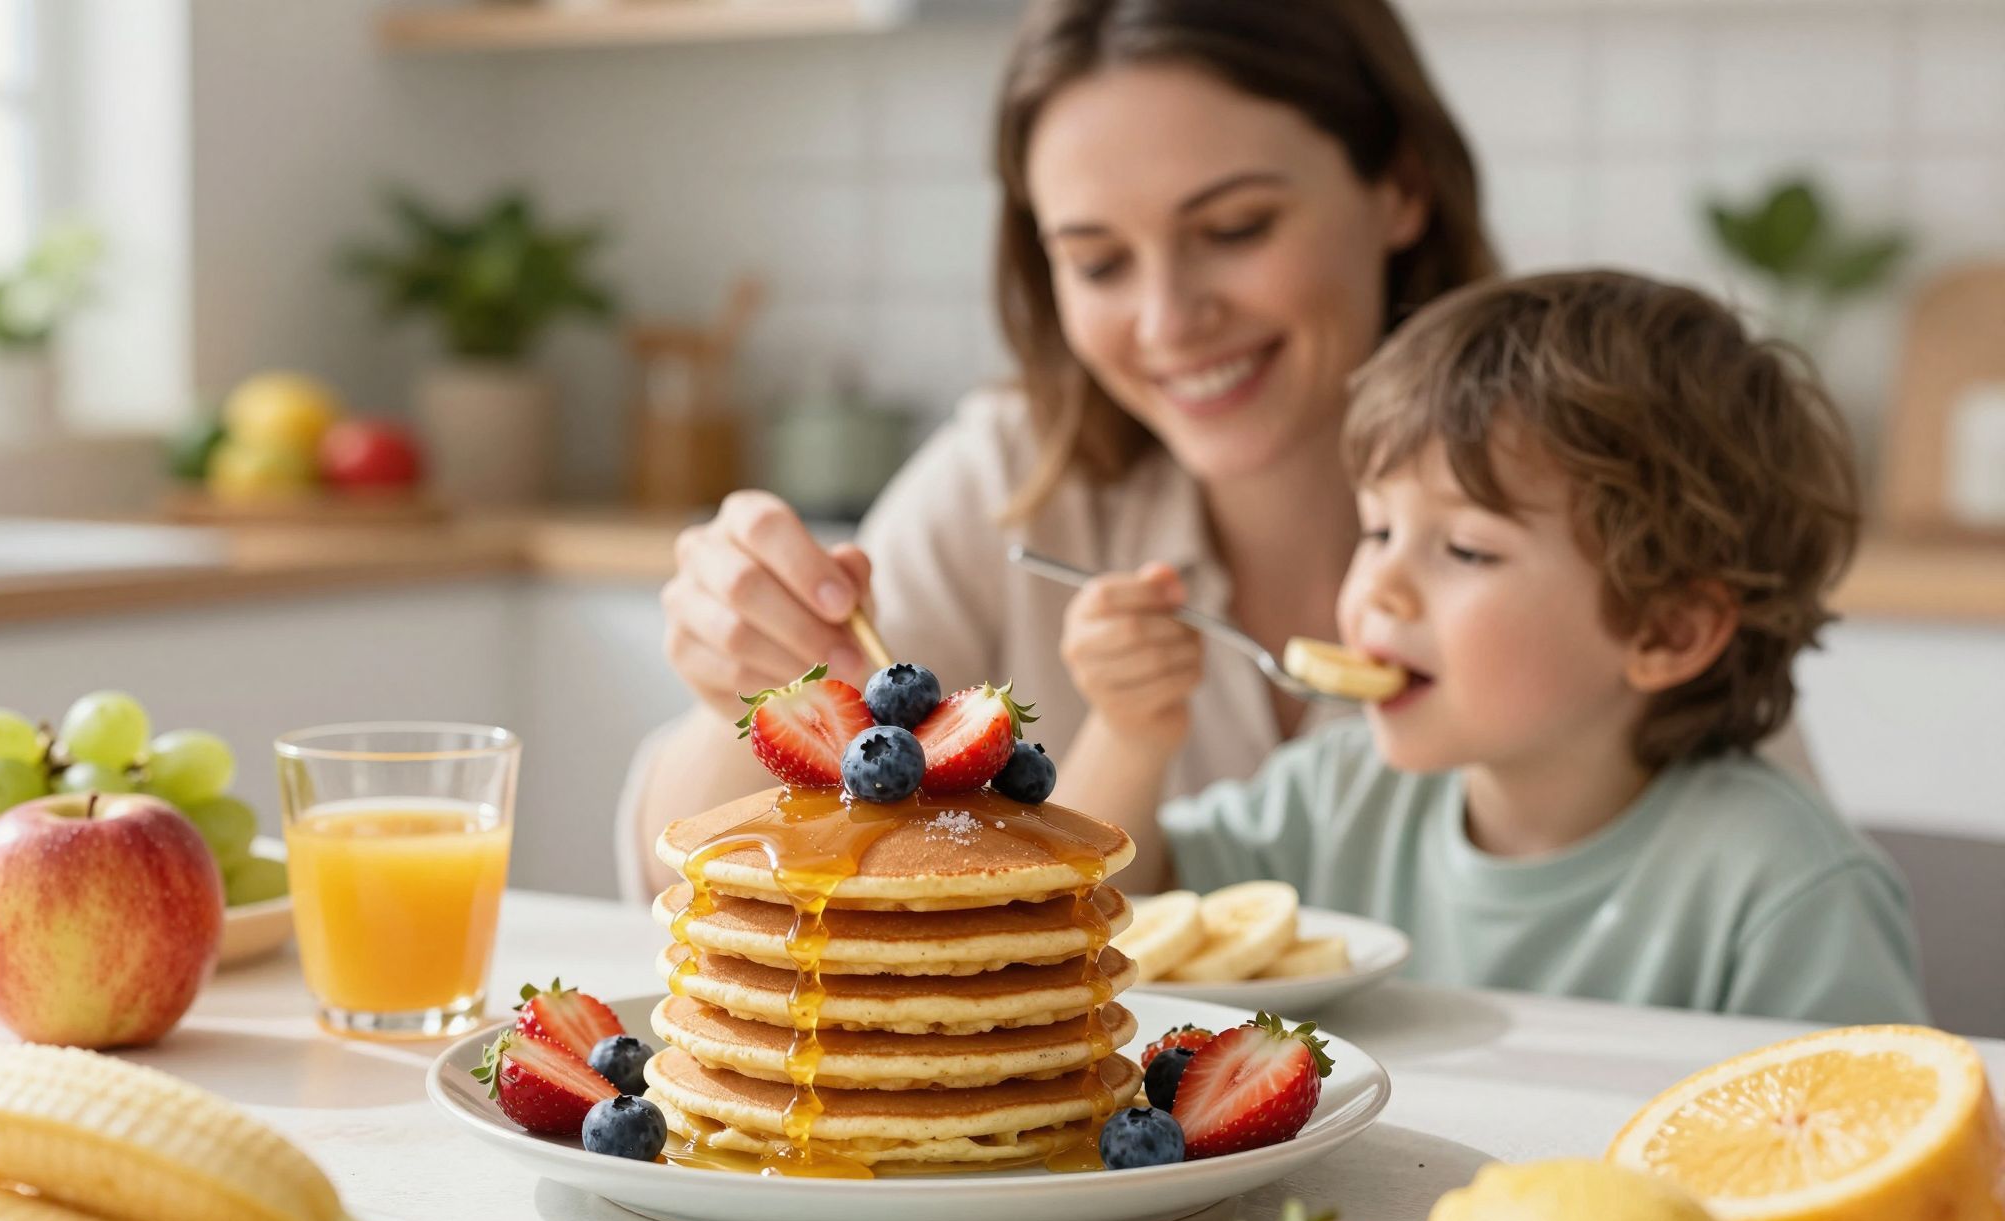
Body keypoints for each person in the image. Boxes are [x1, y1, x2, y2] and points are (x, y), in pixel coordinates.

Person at [618, 0, 1495, 899]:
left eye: (1236, 229)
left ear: (1403, 186)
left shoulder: (1564, 490)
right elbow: (673, 883)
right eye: (1100, 263)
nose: (1168, 322)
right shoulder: (1011, 480)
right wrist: (740, 693)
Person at [1085, 271, 1926, 1025]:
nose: (1379, 586)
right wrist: (1129, 735)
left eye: (1467, 550)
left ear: (1665, 631)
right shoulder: (1338, 795)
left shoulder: (1785, 889)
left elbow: (1874, 1143)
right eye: (1377, 529)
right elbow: (1093, 919)